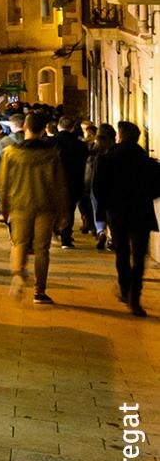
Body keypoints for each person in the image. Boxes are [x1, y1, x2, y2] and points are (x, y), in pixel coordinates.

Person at [0, 110, 69, 305]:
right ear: (44, 130)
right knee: (42, 249)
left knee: (19, 244)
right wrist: (64, 213)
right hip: (45, 206)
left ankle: (18, 275)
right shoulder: (52, 154)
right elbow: (60, 185)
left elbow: (3, 183)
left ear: (25, 127)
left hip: (20, 205)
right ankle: (40, 291)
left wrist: (3, 208)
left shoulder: (11, 153)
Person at [92, 121, 160, 316]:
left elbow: (98, 188)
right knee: (139, 257)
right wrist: (145, 196)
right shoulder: (147, 162)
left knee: (121, 252)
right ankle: (135, 297)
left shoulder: (106, 160)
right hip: (141, 212)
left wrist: (104, 211)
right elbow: (158, 186)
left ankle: (124, 288)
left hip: (117, 212)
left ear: (119, 136)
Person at [52, 116, 89, 248]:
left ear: (58, 126)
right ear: (73, 128)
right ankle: (66, 237)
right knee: (69, 209)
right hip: (73, 182)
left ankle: (55, 231)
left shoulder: (50, 143)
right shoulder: (80, 145)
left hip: (53, 181)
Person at [88, 122, 119, 249]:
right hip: (114, 187)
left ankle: (101, 232)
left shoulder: (95, 151)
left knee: (98, 208)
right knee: (112, 212)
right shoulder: (116, 151)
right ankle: (112, 237)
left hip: (97, 185)